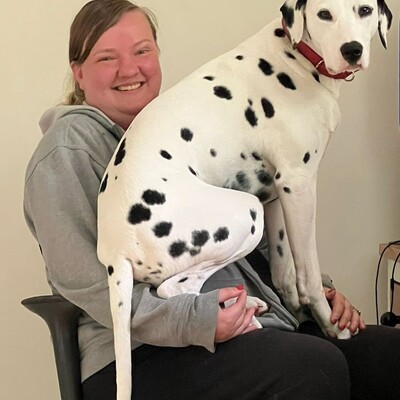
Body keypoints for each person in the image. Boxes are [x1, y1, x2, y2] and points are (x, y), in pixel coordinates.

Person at [23, 1, 400, 399]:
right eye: (107, 58)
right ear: (78, 72)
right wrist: (197, 320)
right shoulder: (65, 150)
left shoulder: (184, 126)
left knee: (388, 357)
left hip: (255, 325)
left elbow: (253, 237)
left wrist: (315, 293)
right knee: (314, 369)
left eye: (142, 51)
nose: (129, 69)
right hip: (139, 353)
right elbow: (83, 279)